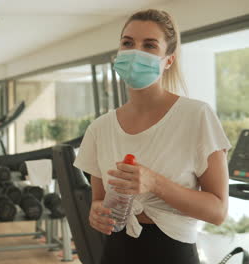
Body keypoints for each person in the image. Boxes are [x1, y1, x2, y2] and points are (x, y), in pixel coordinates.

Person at [74, 9, 231, 264]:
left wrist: (154, 183)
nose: (136, 52)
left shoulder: (196, 116)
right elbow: (99, 202)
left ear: (168, 60)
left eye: (149, 45)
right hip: (114, 253)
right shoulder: (100, 129)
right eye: (128, 43)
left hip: (173, 254)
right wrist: (96, 213)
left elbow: (218, 212)